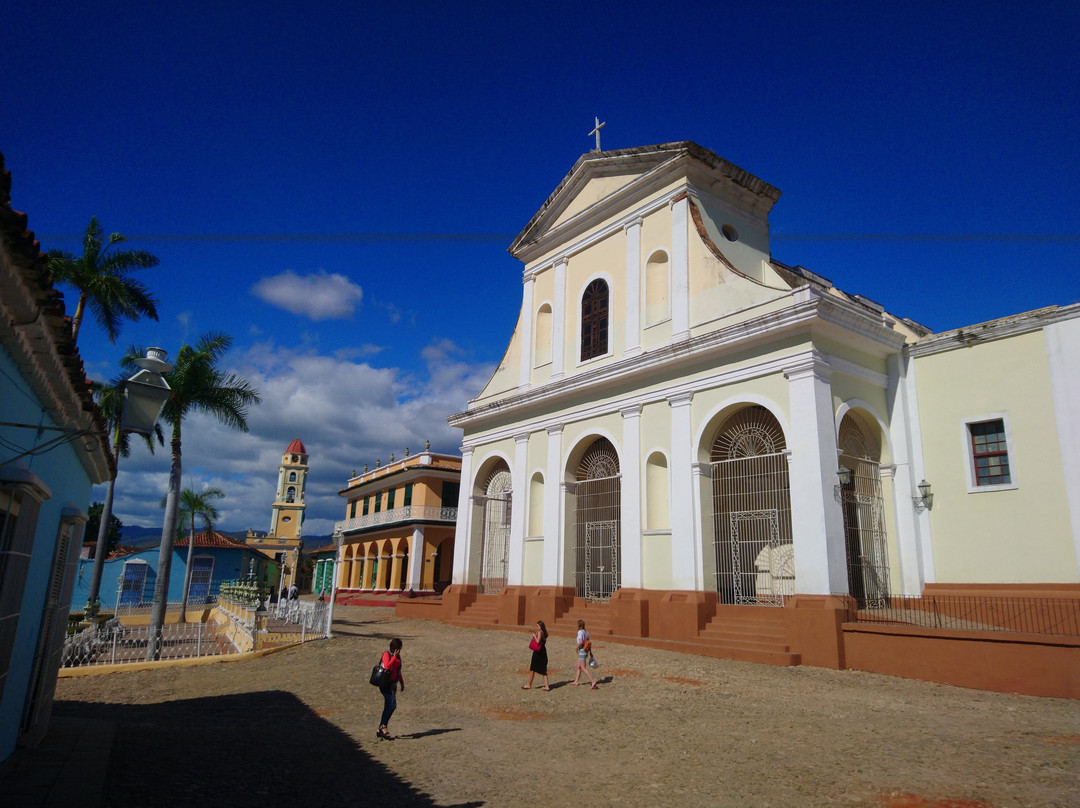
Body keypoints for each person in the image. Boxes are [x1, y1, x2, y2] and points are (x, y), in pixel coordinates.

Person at [377, 638, 405, 739]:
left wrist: (401, 682)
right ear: (396, 649)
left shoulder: (397, 656)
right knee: (392, 705)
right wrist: (394, 657)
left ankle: (380, 728)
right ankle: (383, 726)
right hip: (385, 684)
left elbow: (398, 670)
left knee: (387, 706)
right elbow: (387, 667)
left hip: (393, 684)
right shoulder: (387, 654)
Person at [522, 620, 550, 690]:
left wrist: (534, 636)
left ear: (541, 626)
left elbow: (538, 641)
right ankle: (547, 686)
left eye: (537, 626)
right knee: (543, 669)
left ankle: (529, 685)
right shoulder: (543, 633)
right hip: (542, 652)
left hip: (538, 653)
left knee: (532, 668)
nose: (537, 627)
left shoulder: (540, 632)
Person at [573, 619, 599, 689]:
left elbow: (581, 642)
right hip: (585, 651)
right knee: (578, 666)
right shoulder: (586, 633)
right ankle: (576, 681)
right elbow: (588, 643)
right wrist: (590, 653)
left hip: (582, 651)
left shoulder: (579, 632)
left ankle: (593, 681)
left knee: (583, 668)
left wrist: (576, 647)